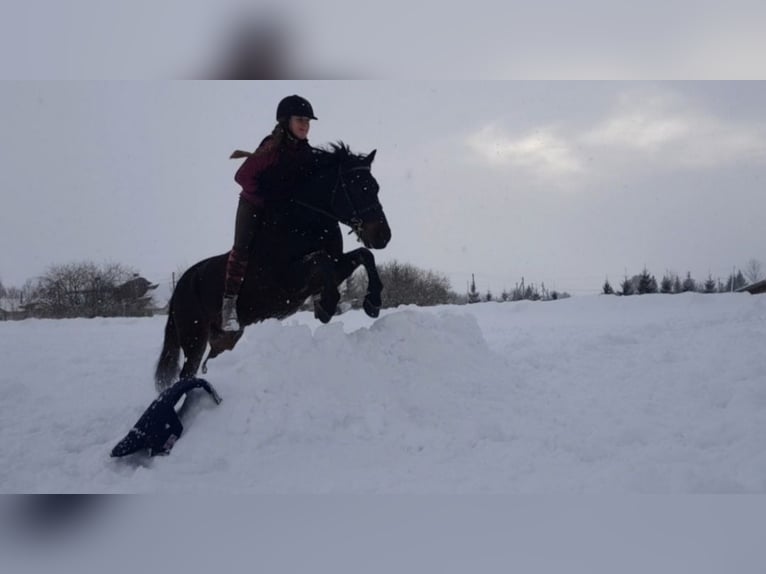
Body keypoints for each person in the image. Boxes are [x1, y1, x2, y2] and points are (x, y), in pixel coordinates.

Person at [222, 94, 317, 332]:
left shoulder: (307, 153)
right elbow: (241, 176)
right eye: (300, 119)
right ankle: (228, 306)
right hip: (254, 204)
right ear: (286, 121)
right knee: (242, 248)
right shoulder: (271, 146)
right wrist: (267, 195)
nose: (305, 125)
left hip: (283, 209)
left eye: (308, 121)